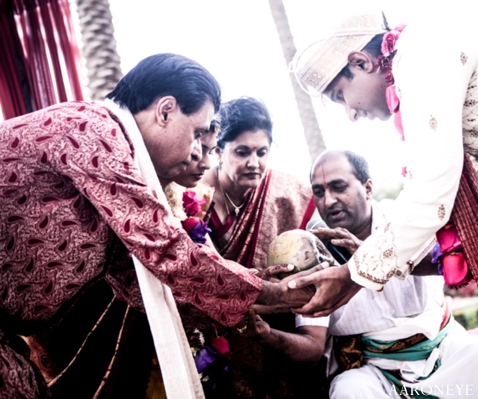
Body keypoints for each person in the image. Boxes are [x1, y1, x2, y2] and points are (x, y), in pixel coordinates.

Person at [288, 3, 478, 391]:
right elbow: (446, 204)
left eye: (340, 94)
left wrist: (354, 275)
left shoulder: (420, 58)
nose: (350, 113)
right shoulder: (424, 64)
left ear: (362, 62)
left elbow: (431, 194)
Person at [0, 53, 313, 398]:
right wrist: (273, 292)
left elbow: (137, 282)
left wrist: (256, 294)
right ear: (165, 110)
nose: (197, 150)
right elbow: (167, 249)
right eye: (196, 133)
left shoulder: (119, 159)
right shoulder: (93, 131)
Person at [306, 150, 478, 398]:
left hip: (443, 350)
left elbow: (451, 261)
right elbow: (311, 336)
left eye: (339, 187)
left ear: (368, 188)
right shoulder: (312, 249)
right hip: (374, 371)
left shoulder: (403, 219)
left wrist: (372, 256)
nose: (328, 201)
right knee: (348, 391)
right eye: (319, 192)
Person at [197, 96, 327, 398]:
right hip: (215, 336)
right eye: (242, 152)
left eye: (262, 152)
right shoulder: (193, 197)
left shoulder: (287, 194)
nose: (254, 163)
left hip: (278, 336)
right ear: (219, 150)